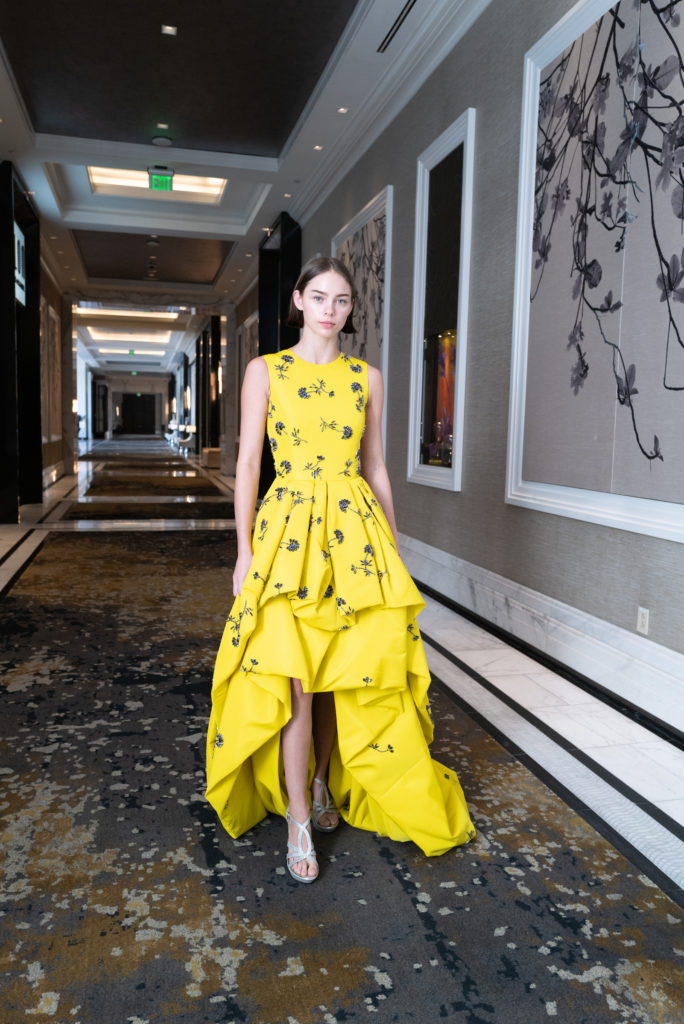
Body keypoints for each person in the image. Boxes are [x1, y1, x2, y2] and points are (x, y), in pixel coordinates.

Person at [206, 256, 475, 882]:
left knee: (341, 677)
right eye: (320, 297)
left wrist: (394, 547)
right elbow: (249, 465)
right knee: (297, 681)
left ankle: (323, 782)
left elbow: (376, 466)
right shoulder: (264, 371)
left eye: (343, 300)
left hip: (355, 535)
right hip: (288, 536)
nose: (331, 309)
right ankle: (299, 815)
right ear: (298, 301)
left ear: (350, 310)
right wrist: (243, 550)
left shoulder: (368, 378)